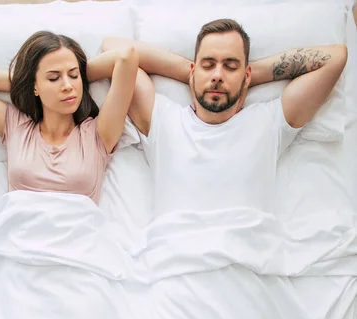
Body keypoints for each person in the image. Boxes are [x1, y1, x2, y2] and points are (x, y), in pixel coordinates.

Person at [102, 20, 347, 215]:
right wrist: (195, 74)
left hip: (248, 270)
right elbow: (115, 49)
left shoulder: (270, 122)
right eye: (208, 65)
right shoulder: (162, 119)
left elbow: (335, 58)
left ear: (247, 74)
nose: (218, 75)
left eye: (230, 66)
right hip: (174, 266)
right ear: (193, 70)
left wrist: (243, 79)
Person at [0, 31, 140, 204]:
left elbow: (126, 56)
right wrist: (25, 82)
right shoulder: (17, 126)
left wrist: (78, 79)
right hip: (20, 241)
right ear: (35, 85)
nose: (67, 85)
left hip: (78, 243)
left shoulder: (97, 134)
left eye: (73, 75)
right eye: (53, 77)